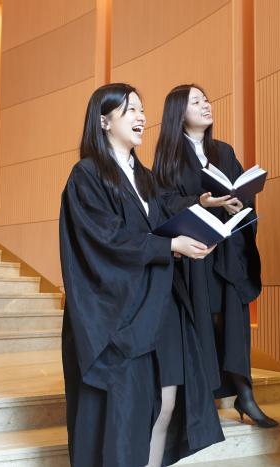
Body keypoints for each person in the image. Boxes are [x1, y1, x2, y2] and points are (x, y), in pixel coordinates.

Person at [59, 83, 223, 467]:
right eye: (131, 109)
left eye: (142, 109)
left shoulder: (144, 177)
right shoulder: (87, 176)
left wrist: (201, 210)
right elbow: (105, 239)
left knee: (166, 401)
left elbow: (167, 213)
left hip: (159, 304)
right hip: (117, 315)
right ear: (104, 121)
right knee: (127, 414)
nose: (141, 117)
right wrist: (168, 247)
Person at [152, 84, 278, 428]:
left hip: (228, 253)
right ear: (179, 112)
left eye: (207, 99)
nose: (206, 105)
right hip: (197, 257)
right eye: (196, 102)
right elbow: (163, 206)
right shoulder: (168, 158)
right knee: (204, 322)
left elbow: (243, 199)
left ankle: (245, 394)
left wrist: (240, 203)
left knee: (236, 322)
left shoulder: (223, 151)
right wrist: (200, 202)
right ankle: (203, 396)